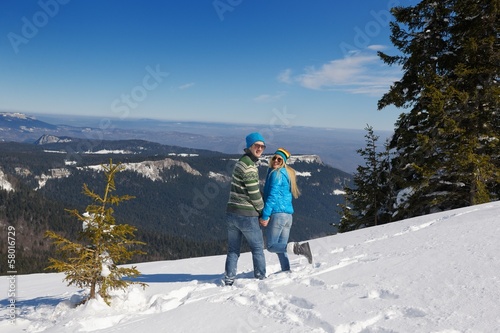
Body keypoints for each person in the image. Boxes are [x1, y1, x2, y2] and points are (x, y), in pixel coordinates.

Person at [223, 132, 267, 286]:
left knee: (233, 249)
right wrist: (263, 212)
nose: (260, 148)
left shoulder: (241, 162)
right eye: (257, 145)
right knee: (257, 248)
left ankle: (229, 279)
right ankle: (261, 278)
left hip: (231, 212)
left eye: (262, 146)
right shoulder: (249, 166)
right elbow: (254, 194)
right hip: (247, 215)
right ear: (249, 146)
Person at [260, 148, 313, 271]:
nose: (276, 161)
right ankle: (286, 270)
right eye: (275, 158)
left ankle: (299, 248)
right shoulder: (287, 174)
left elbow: (273, 197)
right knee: (281, 247)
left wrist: (265, 216)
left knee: (271, 246)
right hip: (288, 217)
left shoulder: (276, 174)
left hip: (277, 215)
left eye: (280, 159)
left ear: (284, 162)